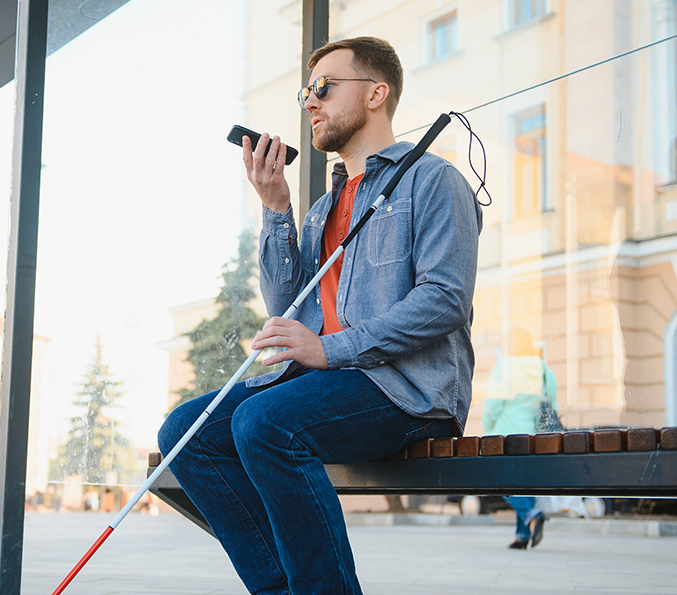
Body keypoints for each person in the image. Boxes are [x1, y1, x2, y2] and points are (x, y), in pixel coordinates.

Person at [159, 36, 481, 595]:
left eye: (324, 88)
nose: (310, 102)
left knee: (265, 423)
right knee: (186, 430)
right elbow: (288, 307)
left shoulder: (433, 181)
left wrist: (329, 349)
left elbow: (445, 299)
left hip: (405, 390)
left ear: (376, 93)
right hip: (326, 385)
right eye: (307, 91)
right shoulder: (323, 208)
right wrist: (275, 208)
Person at [481, 328, 559, 550]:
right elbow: (553, 406)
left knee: (498, 481)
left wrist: (487, 426)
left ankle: (532, 515)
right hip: (531, 436)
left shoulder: (504, 368)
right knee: (524, 485)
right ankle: (522, 535)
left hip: (504, 435)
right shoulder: (544, 370)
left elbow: (493, 405)